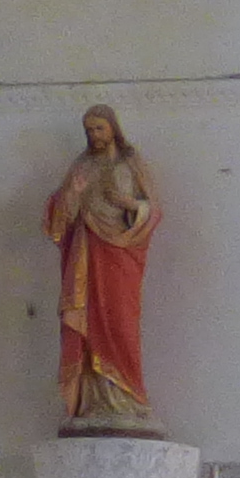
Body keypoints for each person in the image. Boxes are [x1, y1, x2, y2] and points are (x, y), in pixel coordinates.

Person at [46, 104, 162, 431]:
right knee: (89, 323)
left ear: (113, 128)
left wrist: (128, 205)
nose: (94, 135)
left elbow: (153, 212)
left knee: (121, 324)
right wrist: (72, 193)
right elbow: (59, 218)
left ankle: (129, 399)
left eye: (99, 128)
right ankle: (93, 403)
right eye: (89, 130)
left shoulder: (130, 163)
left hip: (120, 256)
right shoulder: (81, 166)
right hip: (87, 253)